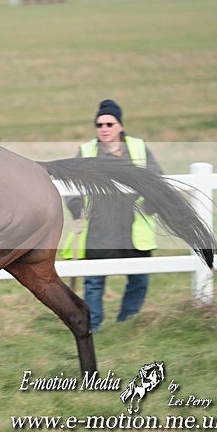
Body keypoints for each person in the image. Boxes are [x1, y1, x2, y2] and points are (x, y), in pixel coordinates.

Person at [62, 99, 162, 332]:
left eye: (109, 124)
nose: (104, 129)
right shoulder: (86, 151)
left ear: (120, 126)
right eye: (99, 125)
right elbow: (72, 186)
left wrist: (148, 206)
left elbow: (157, 179)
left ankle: (127, 321)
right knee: (94, 281)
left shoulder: (139, 149)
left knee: (139, 280)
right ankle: (93, 326)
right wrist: (77, 209)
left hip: (132, 225)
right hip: (99, 227)